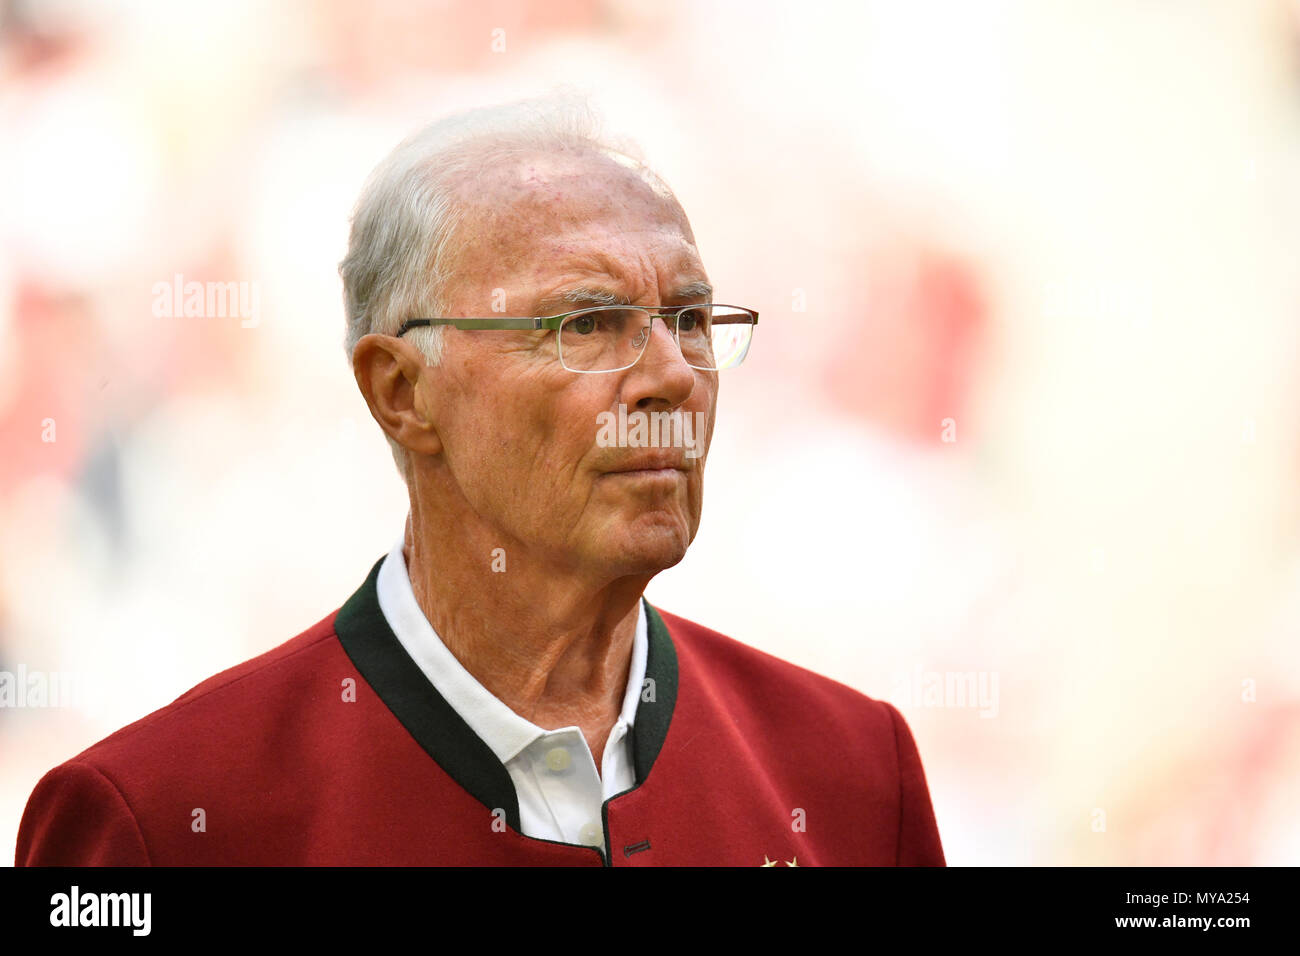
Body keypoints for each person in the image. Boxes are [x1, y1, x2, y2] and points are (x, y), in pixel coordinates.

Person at [16, 96, 945, 866]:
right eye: (588, 323)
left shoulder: (852, 775)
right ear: (402, 392)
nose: (670, 374)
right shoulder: (163, 820)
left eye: (691, 318)